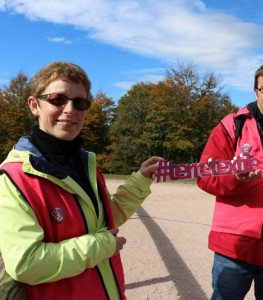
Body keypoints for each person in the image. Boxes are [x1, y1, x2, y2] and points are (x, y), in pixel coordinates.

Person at [0, 61, 163, 300]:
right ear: (34, 105)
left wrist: (141, 179)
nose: (69, 110)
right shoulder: (14, 178)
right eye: (57, 99)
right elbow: (26, 263)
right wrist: (104, 245)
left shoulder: (85, 165)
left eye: (80, 103)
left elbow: (105, 218)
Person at [197, 61, 263, 300]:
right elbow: (205, 176)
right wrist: (235, 179)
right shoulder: (232, 126)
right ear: (256, 91)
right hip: (233, 247)